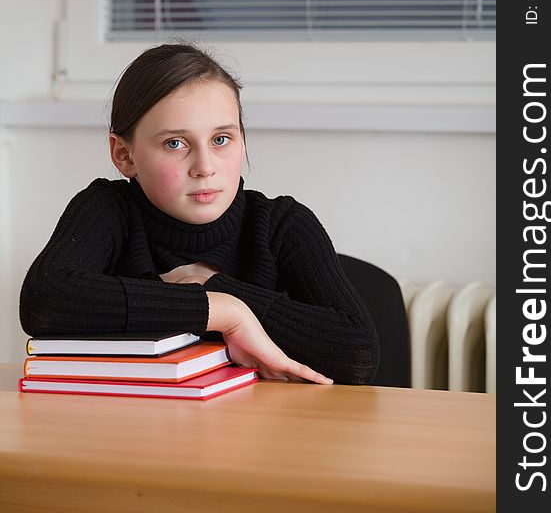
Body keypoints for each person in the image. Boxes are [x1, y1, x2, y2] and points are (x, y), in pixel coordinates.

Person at [19, 43, 379, 385]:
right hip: (137, 433)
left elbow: (357, 355)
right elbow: (44, 300)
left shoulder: (283, 224)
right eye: (175, 143)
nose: (205, 167)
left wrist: (211, 283)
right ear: (124, 155)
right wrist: (224, 311)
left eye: (221, 139)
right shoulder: (107, 210)